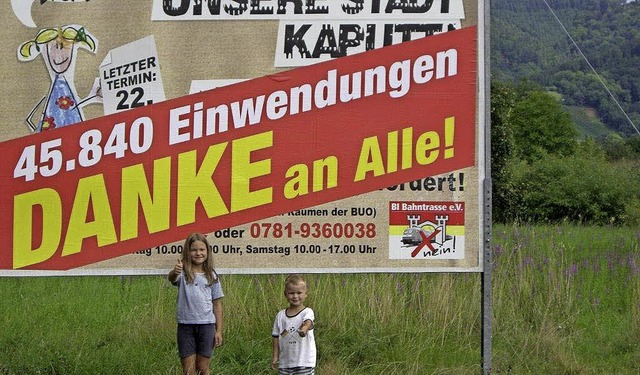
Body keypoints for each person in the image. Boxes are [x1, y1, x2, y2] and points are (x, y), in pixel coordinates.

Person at [168, 233, 224, 375]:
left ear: (207, 251)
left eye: (202, 250)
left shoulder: (212, 275)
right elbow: (172, 278)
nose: (198, 253)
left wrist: (218, 331)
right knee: (188, 370)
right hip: (186, 326)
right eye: (194, 250)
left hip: (206, 326)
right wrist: (175, 272)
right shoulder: (183, 273)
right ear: (188, 251)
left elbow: (217, 305)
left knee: (203, 367)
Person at [271, 274, 316, 374]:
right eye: (291, 293)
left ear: (305, 294)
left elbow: (308, 322)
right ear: (285, 294)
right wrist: (275, 356)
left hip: (304, 362)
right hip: (285, 363)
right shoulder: (280, 315)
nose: (295, 296)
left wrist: (304, 329)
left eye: (299, 293)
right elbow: (276, 337)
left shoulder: (307, 312)